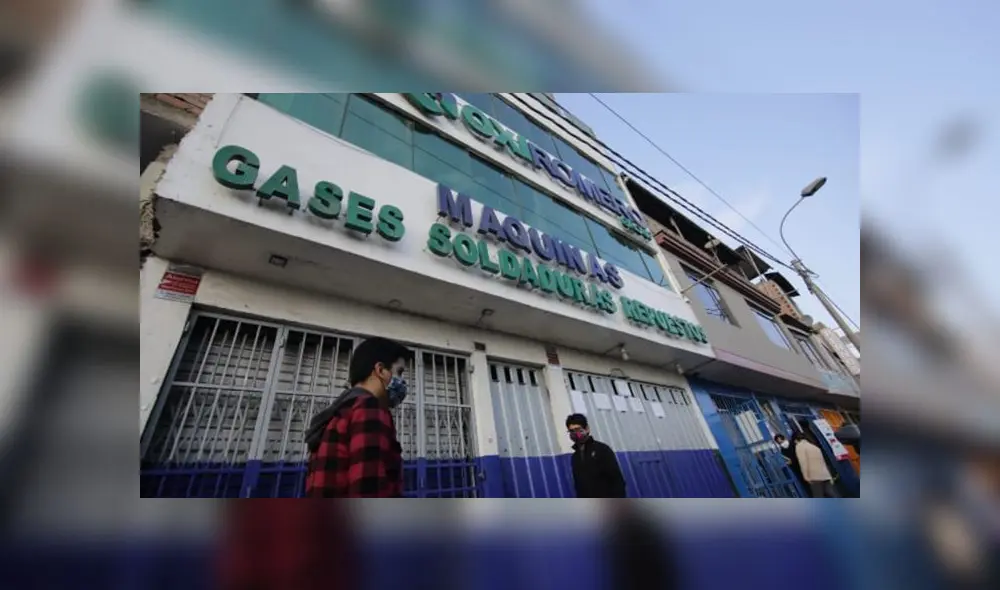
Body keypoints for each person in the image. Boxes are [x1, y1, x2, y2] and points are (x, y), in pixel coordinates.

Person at [304, 337, 410, 497]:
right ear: (380, 370)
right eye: (399, 372)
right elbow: (369, 488)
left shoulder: (340, 411)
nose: (403, 382)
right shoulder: (369, 407)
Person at [566, 413, 627, 498]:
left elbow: (617, 480)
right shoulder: (575, 457)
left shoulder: (602, 449)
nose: (575, 434)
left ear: (587, 429)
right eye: (571, 431)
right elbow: (578, 486)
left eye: (577, 429)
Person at [793, 432, 841, 498]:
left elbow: (803, 462)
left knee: (818, 496)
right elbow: (823, 461)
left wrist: (806, 476)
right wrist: (829, 475)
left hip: (814, 475)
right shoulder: (814, 446)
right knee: (830, 493)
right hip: (825, 474)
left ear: (795, 440)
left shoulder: (799, 446)